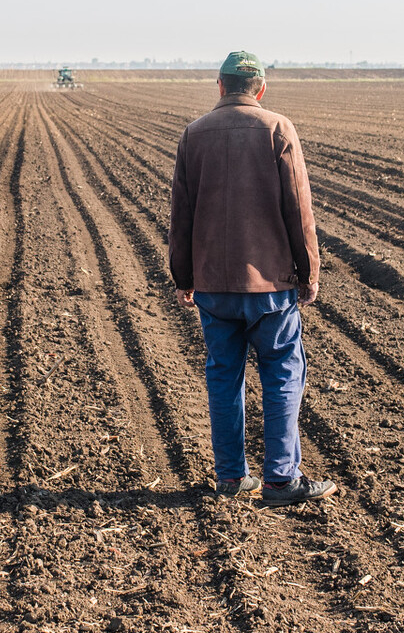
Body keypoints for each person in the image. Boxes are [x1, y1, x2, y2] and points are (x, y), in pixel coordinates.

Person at [168, 51, 336, 506]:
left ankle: (230, 477)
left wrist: (183, 275)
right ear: (260, 89)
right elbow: (298, 209)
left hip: (213, 286)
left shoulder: (194, 134)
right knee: (283, 373)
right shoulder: (277, 128)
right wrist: (310, 271)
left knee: (223, 375)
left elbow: (181, 213)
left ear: (219, 86)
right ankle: (282, 480)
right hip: (270, 285)